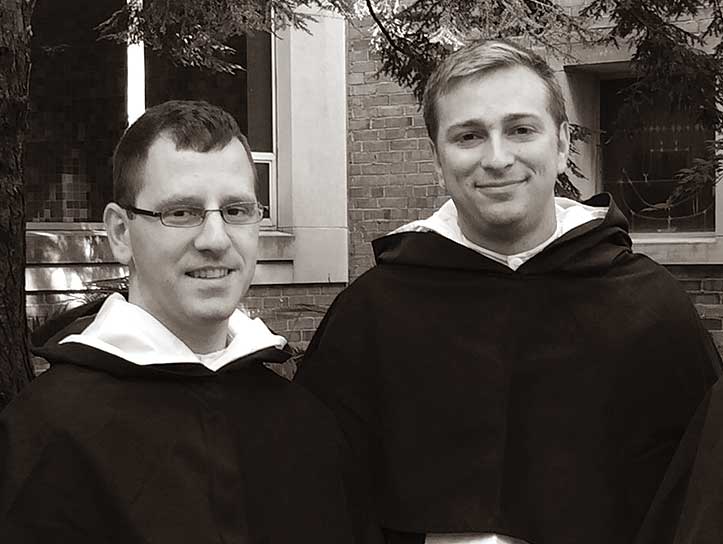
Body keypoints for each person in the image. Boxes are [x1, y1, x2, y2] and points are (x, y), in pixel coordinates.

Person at [295, 40, 721, 544]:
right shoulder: (369, 314)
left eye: (520, 130)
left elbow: (700, 499)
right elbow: (316, 498)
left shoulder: (653, 309)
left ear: (562, 144)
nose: (497, 158)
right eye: (469, 136)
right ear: (436, 158)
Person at [0, 100, 360, 543]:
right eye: (182, 212)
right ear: (120, 233)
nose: (214, 240)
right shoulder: (46, 435)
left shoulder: (306, 424)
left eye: (236, 210)